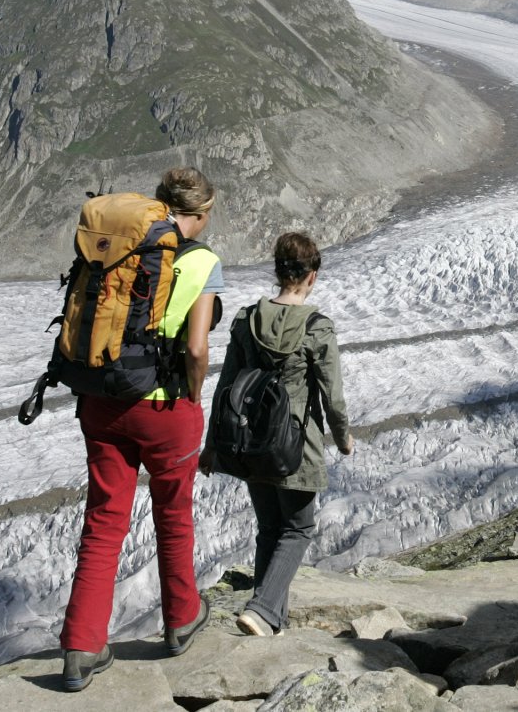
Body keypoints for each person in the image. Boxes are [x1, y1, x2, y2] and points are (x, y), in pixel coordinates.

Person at [59, 167, 223, 691]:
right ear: (201, 213)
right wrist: (194, 394)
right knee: (173, 515)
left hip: (103, 401)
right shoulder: (201, 262)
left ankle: (82, 646)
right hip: (165, 411)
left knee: (104, 521)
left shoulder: (121, 248)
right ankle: (180, 620)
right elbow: (196, 348)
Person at [202, 230, 353, 637]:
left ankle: (273, 622)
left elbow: (226, 386)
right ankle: (265, 607)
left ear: (277, 271)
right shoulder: (317, 327)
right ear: (312, 276)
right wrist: (342, 436)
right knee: (299, 527)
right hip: (296, 445)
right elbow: (331, 391)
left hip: (251, 443)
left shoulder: (246, 319)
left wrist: (212, 445)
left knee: (270, 528)